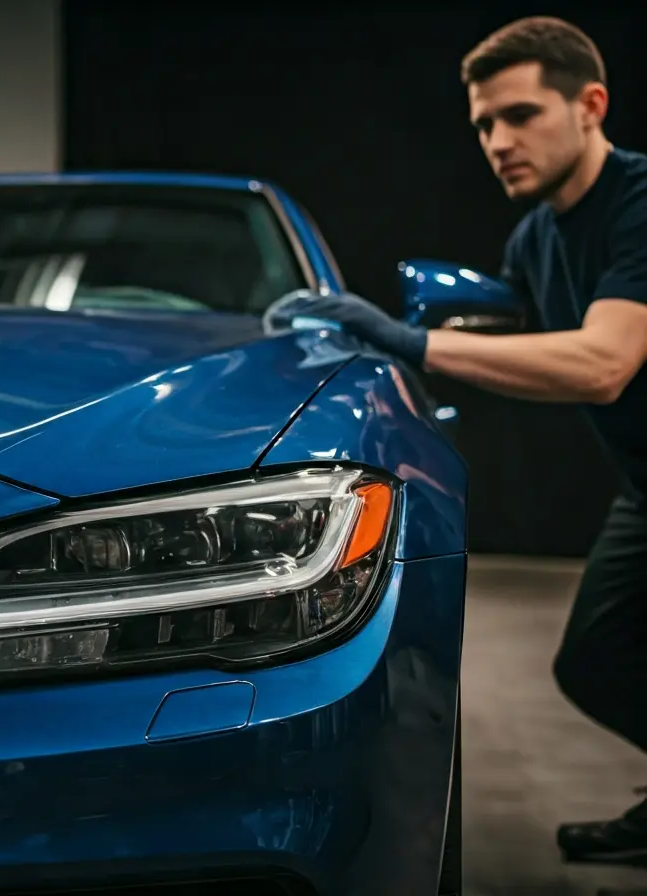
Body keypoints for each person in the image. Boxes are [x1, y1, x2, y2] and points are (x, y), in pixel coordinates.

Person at [270, 15, 647, 866]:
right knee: (596, 659)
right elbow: (508, 346)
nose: (496, 141)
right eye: (483, 124)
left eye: (519, 115)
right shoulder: (537, 235)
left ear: (590, 105)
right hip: (644, 484)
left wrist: (406, 339)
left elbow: (603, 362)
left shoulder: (639, 203)